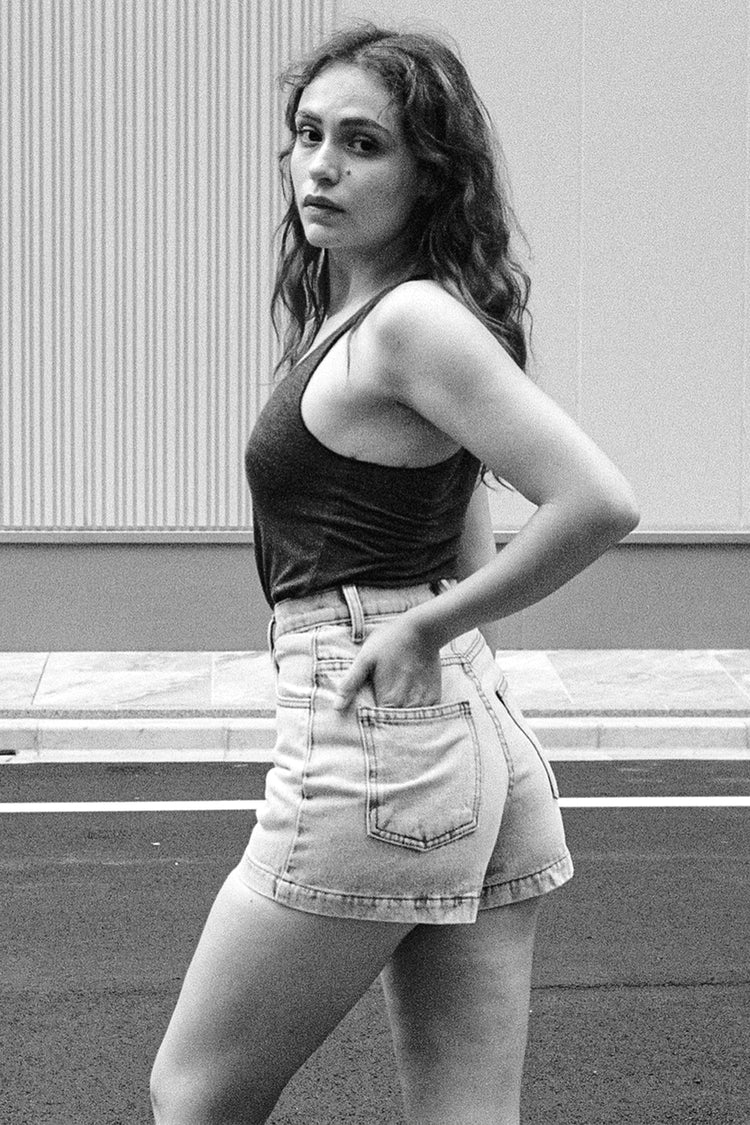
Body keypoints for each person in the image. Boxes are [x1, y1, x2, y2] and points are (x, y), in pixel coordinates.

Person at [150, 23, 639, 1125]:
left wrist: (425, 631)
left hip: (378, 731)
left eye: (362, 143)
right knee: (464, 1112)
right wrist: (457, 665)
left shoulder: (408, 322)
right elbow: (460, 518)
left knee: (192, 1093)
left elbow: (596, 502)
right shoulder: (371, 318)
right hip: (461, 738)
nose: (320, 165)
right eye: (308, 134)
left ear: (429, 173)